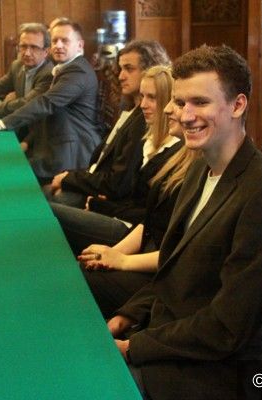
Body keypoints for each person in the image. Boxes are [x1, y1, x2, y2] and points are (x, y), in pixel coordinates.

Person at [106, 45, 262, 400]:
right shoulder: (198, 168)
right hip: (172, 339)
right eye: (180, 103)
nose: (185, 114)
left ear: (238, 105)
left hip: (211, 374)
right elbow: (173, 274)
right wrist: (125, 317)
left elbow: (228, 328)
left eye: (200, 102)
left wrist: (134, 347)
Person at [78, 93, 198, 318]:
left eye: (179, 103)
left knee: (78, 279)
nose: (167, 109)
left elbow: (181, 257)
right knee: (83, 264)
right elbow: (151, 222)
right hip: (146, 252)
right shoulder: (180, 158)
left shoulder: (196, 166)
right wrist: (114, 253)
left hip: (161, 278)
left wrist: (123, 261)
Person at [50, 66, 182, 255]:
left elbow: (151, 215)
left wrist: (102, 206)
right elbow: (129, 193)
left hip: (133, 231)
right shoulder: (148, 140)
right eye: (142, 96)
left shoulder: (174, 151)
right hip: (121, 215)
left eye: (152, 98)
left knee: (50, 213)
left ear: (168, 101)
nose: (143, 105)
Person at [0, 20, 101, 186]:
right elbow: (46, 113)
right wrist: (28, 141)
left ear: (80, 45)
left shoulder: (78, 71)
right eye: (55, 40)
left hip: (71, 153)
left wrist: (1, 124)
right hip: (51, 144)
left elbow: (45, 104)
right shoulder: (65, 67)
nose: (58, 45)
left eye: (65, 41)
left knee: (3, 174)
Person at [48, 40, 170, 208]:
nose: (121, 76)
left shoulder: (146, 118)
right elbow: (102, 164)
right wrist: (69, 177)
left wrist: (68, 179)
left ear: (151, 70)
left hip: (108, 198)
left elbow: (118, 184)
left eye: (129, 69)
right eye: (120, 69)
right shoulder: (129, 109)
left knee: (49, 203)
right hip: (95, 182)